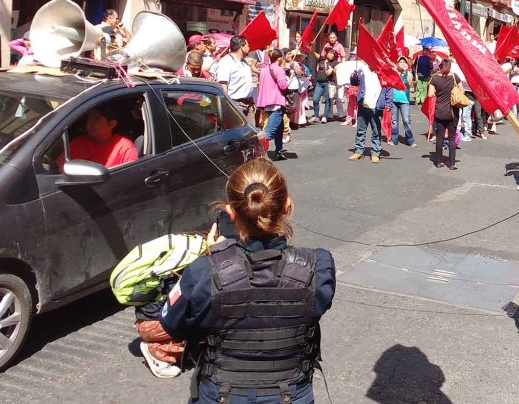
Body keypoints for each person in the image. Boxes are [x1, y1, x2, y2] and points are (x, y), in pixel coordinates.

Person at [160, 159, 336, 404]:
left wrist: (216, 259)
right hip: (291, 393)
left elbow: (171, 324)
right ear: (287, 205)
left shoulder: (202, 272)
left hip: (221, 394)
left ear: (230, 212)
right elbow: (315, 306)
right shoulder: (318, 266)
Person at [60, 106, 139, 170]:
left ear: (111, 124)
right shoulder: (77, 142)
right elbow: (59, 167)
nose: (89, 123)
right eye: (89, 118)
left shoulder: (125, 148)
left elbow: (129, 179)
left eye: (96, 119)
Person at [427, 58, 463, 170]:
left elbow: (430, 94)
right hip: (453, 112)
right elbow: (462, 91)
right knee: (452, 138)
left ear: (441, 66)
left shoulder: (435, 78)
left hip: (440, 111)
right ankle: (452, 163)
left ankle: (438, 161)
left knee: (440, 137)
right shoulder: (454, 77)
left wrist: (439, 92)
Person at [255, 49, 289, 161]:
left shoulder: (264, 70)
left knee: (279, 129)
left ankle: (279, 151)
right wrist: (288, 80)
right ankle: (256, 154)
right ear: (279, 58)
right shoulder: (279, 70)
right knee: (269, 132)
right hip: (276, 102)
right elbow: (283, 86)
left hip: (267, 102)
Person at [349, 68, 386, 163]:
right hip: (363, 105)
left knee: (376, 131)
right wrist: (354, 76)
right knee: (360, 130)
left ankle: (375, 153)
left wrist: (388, 104)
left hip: (376, 107)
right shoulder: (362, 71)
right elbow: (354, 82)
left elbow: (388, 89)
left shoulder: (383, 71)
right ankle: (358, 151)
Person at [216, 36, 254, 116]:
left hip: (248, 104)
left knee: (251, 128)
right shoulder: (226, 62)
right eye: (247, 45)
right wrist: (226, 105)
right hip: (235, 105)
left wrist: (252, 100)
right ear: (242, 47)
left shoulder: (244, 62)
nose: (249, 48)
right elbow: (223, 85)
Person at [390, 57, 416, 147]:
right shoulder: (395, 73)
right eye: (400, 62)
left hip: (404, 100)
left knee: (406, 120)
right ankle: (394, 139)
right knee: (394, 120)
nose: (402, 63)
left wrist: (405, 72)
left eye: (403, 62)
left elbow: (409, 83)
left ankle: (410, 140)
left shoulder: (408, 73)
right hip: (394, 99)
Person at [312, 49, 338, 122]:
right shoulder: (321, 59)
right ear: (326, 54)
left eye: (333, 54)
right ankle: (316, 116)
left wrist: (332, 70)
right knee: (315, 99)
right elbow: (312, 52)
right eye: (330, 53)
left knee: (327, 100)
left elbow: (337, 71)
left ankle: (325, 117)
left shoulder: (335, 62)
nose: (332, 55)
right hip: (319, 83)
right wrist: (312, 46)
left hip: (328, 83)